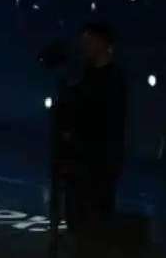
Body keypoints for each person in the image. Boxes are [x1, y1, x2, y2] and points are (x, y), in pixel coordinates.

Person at [54, 21, 127, 234]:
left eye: (89, 41)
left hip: (98, 163)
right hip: (79, 161)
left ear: (103, 43)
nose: (84, 46)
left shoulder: (113, 80)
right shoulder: (87, 74)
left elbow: (109, 122)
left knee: (95, 221)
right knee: (77, 219)